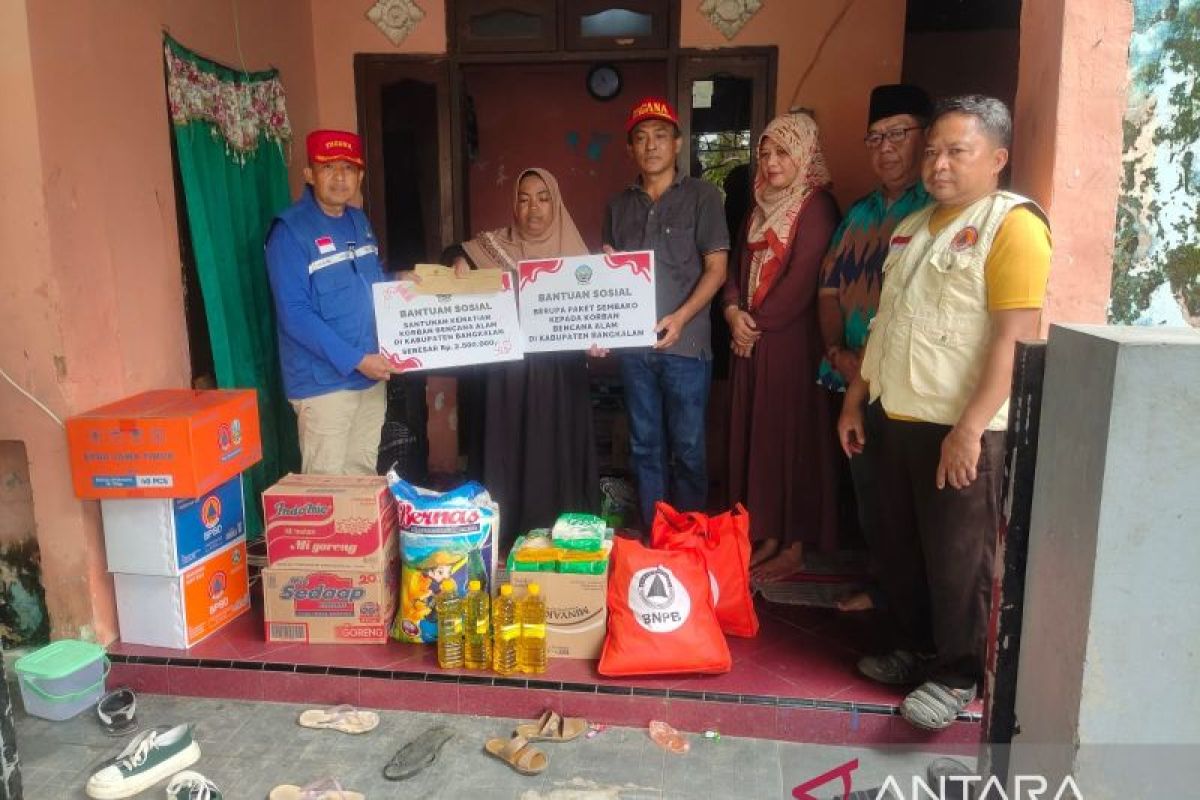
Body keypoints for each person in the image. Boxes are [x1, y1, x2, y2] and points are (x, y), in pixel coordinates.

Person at [838, 95, 1052, 730]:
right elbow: (885, 324)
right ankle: (912, 648)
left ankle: (958, 674)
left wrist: (968, 429)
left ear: (997, 158)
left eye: (958, 151)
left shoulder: (1012, 225)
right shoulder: (914, 226)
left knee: (958, 557)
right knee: (899, 547)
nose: (939, 164)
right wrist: (856, 397)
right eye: (933, 151)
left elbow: (1014, 339)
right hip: (892, 414)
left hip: (960, 427)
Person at [817, 84, 934, 611]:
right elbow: (828, 290)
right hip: (852, 377)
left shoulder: (936, 212)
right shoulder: (859, 214)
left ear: (925, 137)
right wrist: (835, 349)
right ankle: (882, 586)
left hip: (909, 382)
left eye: (897, 134)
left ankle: (909, 601)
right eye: (875, 138)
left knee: (907, 498)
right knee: (869, 492)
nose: (885, 148)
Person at [721, 113, 841, 582]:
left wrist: (754, 326)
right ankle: (766, 532)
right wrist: (733, 312)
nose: (771, 162)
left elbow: (805, 279)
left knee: (791, 438)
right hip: (751, 340)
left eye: (783, 153)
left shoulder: (817, 207)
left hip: (788, 343)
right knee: (759, 436)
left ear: (806, 155)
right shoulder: (756, 205)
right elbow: (734, 268)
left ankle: (793, 543)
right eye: (765, 153)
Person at [453, 168, 599, 550]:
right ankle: (504, 536)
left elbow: (599, 311)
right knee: (507, 448)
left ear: (557, 202)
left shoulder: (578, 256)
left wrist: (599, 336)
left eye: (543, 197)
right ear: (514, 206)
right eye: (524, 198)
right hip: (506, 376)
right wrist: (458, 265)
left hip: (558, 375)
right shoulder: (490, 249)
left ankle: (557, 536)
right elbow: (456, 255)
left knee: (554, 452)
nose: (533, 207)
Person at [602, 97, 730, 528]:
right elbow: (610, 275)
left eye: (660, 136)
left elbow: (717, 269)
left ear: (677, 144)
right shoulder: (618, 206)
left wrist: (681, 317)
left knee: (689, 445)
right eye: (641, 138)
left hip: (686, 346)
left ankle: (690, 532)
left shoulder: (703, 197)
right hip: (635, 349)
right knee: (644, 445)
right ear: (630, 150)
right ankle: (658, 531)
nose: (651, 145)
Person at [265, 129, 399, 475]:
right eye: (328, 167)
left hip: (369, 378)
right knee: (327, 490)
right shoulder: (290, 232)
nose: (340, 178)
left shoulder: (359, 221)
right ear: (309, 174)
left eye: (349, 168)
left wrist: (402, 285)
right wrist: (356, 360)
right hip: (324, 385)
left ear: (360, 176)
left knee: (362, 479)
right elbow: (294, 315)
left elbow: (371, 285)